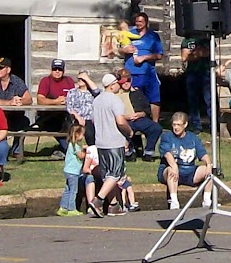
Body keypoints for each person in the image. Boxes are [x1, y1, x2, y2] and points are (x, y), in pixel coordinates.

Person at [89, 72, 133, 216]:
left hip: (100, 142)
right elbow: (120, 121)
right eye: (117, 84)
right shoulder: (115, 100)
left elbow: (94, 121)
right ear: (113, 85)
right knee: (115, 174)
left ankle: (114, 205)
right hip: (114, 142)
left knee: (107, 175)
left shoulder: (97, 100)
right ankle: (98, 200)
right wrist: (129, 131)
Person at [158, 111, 212, 209]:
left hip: (189, 171)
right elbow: (167, 153)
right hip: (170, 170)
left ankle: (207, 200)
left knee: (208, 171)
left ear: (185, 124)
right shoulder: (167, 136)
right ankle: (174, 202)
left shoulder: (193, 138)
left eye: (178, 125)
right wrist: (174, 166)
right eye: (174, 124)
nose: (176, 127)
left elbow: (202, 154)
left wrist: (208, 164)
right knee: (171, 170)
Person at [121, 10, 165, 122]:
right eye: (137, 21)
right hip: (131, 72)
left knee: (154, 98)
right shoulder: (129, 33)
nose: (138, 24)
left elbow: (159, 55)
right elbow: (117, 49)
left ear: (146, 22)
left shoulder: (153, 36)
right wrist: (124, 49)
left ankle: (154, 123)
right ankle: (136, 122)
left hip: (148, 73)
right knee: (133, 98)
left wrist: (144, 57)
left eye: (141, 21)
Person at [115, 69, 163, 158]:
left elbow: (147, 108)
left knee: (156, 128)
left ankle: (148, 152)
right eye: (123, 81)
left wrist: (141, 114)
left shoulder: (137, 92)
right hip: (125, 120)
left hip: (139, 119)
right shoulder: (116, 95)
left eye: (128, 81)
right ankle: (130, 151)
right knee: (124, 128)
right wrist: (125, 117)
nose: (126, 83)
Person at [35, 58, 76, 150]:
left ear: (63, 71)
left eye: (60, 69)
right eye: (55, 69)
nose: (57, 71)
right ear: (51, 70)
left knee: (74, 125)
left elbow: (74, 96)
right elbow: (40, 100)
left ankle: (71, 148)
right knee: (57, 126)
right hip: (48, 116)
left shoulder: (69, 81)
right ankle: (69, 149)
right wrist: (55, 102)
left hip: (66, 114)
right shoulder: (46, 81)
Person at [182, 36, 213, 127]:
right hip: (192, 73)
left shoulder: (208, 39)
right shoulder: (187, 40)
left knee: (209, 100)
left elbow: (209, 53)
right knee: (193, 100)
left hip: (206, 73)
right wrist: (199, 53)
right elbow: (184, 57)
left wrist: (194, 54)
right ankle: (196, 125)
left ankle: (213, 125)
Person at [58, 121, 88, 216]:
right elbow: (81, 156)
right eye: (82, 135)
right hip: (73, 172)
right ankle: (71, 208)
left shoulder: (72, 144)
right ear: (77, 134)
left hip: (68, 171)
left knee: (67, 189)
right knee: (73, 190)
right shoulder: (76, 146)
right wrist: (87, 152)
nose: (83, 137)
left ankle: (63, 207)